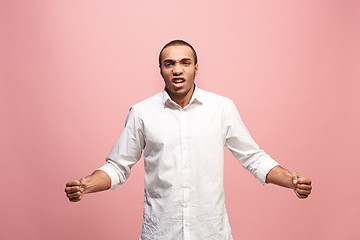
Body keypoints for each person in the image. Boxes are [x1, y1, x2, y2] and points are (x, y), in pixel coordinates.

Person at [65, 40, 312, 239]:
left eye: (185, 62)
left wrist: (290, 180)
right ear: (161, 69)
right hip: (161, 233)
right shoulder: (142, 112)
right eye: (169, 63)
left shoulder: (221, 108)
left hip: (211, 232)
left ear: (196, 67)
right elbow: (118, 166)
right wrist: (86, 184)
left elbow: (253, 158)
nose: (177, 69)